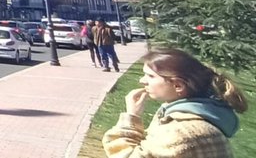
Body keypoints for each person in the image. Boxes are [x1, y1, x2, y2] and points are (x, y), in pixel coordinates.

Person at [103, 48, 247, 158]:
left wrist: (131, 118)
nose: (142, 80)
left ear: (178, 85)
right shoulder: (204, 115)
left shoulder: (180, 132)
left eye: (150, 76)